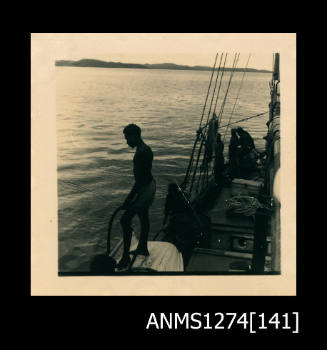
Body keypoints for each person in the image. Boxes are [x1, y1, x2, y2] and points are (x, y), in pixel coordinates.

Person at [117, 124, 156, 269]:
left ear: (135, 136)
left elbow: (140, 181)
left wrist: (129, 199)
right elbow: (143, 179)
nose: (127, 141)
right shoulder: (145, 149)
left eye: (127, 138)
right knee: (143, 216)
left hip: (145, 189)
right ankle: (142, 247)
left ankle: (126, 257)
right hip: (150, 185)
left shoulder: (141, 154)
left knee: (124, 220)